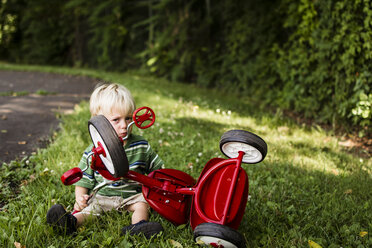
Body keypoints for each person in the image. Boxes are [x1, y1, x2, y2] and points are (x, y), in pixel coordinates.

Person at [46, 83, 164, 238]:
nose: (124, 125)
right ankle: (69, 222)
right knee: (90, 211)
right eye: (116, 120)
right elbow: (84, 180)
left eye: (128, 118)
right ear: (99, 123)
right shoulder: (94, 150)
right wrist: (80, 199)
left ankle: (138, 227)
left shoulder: (141, 145)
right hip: (103, 197)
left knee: (143, 204)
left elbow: (158, 169)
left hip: (132, 196)